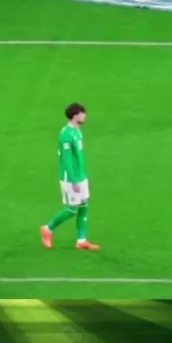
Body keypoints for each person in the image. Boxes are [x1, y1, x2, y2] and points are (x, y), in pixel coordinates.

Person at [41, 104, 100, 250]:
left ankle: (81, 240)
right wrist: (74, 180)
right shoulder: (66, 135)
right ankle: (48, 229)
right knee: (72, 209)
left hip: (81, 175)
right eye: (82, 113)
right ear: (75, 115)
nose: (85, 116)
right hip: (70, 178)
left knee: (84, 206)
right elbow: (66, 160)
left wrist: (82, 176)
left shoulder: (77, 131)